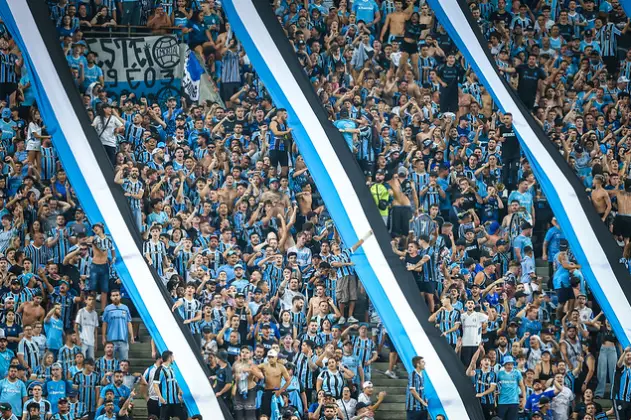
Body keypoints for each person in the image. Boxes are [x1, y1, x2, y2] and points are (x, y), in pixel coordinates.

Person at [101, 289, 133, 361]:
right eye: (113, 296)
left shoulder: (125, 308)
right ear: (110, 297)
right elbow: (104, 323)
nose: (115, 297)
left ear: (120, 296)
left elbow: (129, 322)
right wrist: (103, 337)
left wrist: (132, 335)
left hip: (123, 340)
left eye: (117, 295)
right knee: (111, 360)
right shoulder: (107, 309)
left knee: (124, 361)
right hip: (111, 340)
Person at [152, 351, 185, 420]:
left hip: (175, 401)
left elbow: (175, 381)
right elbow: (155, 385)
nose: (174, 359)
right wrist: (160, 397)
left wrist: (179, 390)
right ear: (169, 358)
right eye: (173, 357)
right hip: (165, 401)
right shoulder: (160, 370)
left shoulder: (171, 369)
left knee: (181, 417)